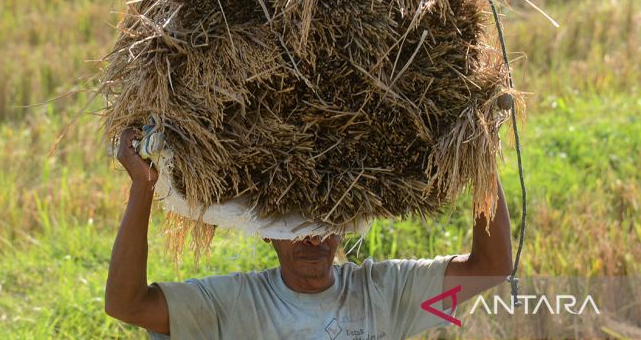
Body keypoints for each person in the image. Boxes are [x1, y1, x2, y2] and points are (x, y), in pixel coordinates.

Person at [105, 128, 513, 339]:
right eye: (295, 229)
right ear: (266, 233)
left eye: (325, 225)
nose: (313, 240)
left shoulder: (387, 294)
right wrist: (143, 188)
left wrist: (480, 163)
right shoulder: (233, 305)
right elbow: (128, 304)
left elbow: (492, 267)